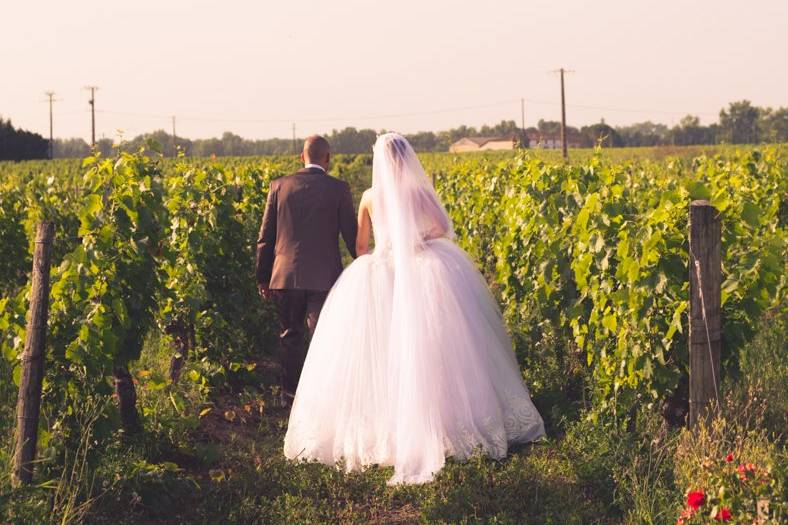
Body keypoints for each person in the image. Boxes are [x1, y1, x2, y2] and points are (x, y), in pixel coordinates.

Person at [284, 133, 544, 485]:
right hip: (420, 266)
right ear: (407, 158)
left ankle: (384, 423)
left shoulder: (369, 197)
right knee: (432, 347)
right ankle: (443, 420)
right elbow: (441, 226)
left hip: (381, 270)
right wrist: (417, 241)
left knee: (379, 351)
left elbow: (361, 246)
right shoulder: (417, 192)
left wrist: (384, 254)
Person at [256, 135, 357, 407]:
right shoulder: (339, 189)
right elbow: (352, 235)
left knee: (290, 336)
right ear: (328, 159)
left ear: (302, 157)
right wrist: (366, 269)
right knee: (324, 335)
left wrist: (263, 276)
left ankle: (290, 398)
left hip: (285, 275)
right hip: (325, 277)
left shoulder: (279, 186)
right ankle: (325, 399)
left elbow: (265, 237)